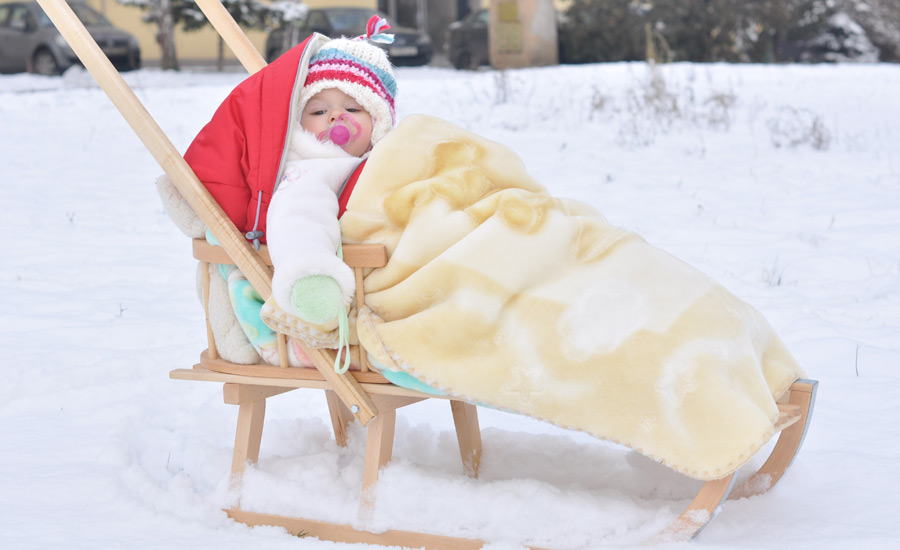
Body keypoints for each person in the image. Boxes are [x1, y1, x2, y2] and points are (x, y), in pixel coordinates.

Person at [266, 20, 398, 332]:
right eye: (318, 111)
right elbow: (297, 217)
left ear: (377, 122)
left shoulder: (383, 159)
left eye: (352, 109)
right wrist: (311, 274)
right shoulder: (311, 168)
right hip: (357, 291)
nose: (336, 117)